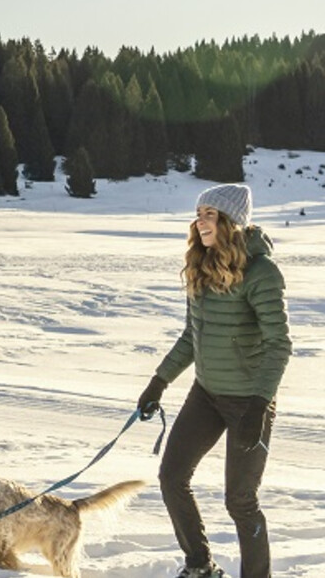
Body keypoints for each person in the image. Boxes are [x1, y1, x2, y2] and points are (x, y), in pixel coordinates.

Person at [135, 184, 292, 578]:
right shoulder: (200, 266)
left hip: (248, 401)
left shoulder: (262, 272)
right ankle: (199, 565)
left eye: (210, 213)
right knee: (172, 478)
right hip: (206, 393)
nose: (200, 221)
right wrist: (159, 381)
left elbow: (279, 345)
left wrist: (260, 402)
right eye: (199, 213)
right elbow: (193, 335)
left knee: (240, 500)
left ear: (231, 222)